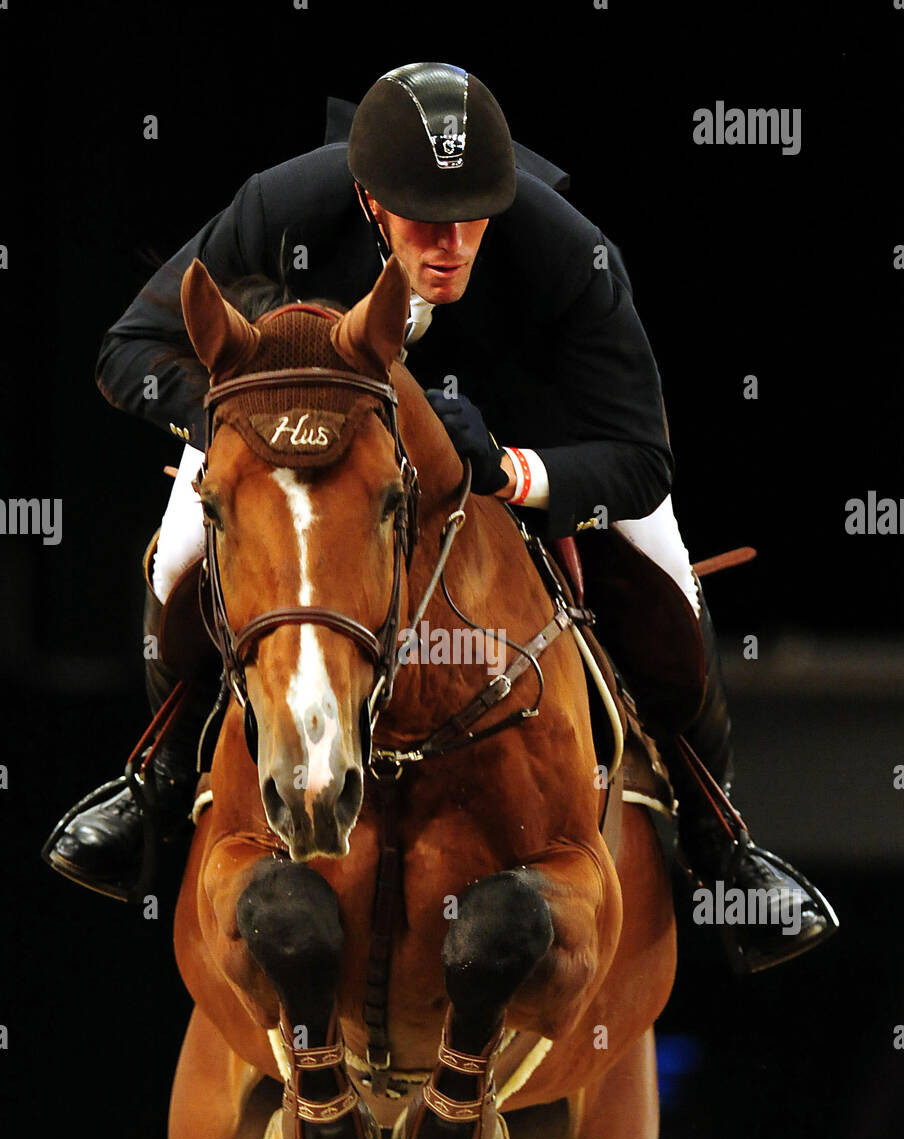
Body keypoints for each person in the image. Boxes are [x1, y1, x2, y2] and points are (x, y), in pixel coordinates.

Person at [42, 61, 837, 971]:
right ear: (369, 199)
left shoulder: (566, 252)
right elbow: (128, 351)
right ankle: (154, 784)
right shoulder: (285, 204)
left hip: (519, 433)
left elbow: (643, 458)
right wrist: (259, 418)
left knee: (663, 571)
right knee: (184, 549)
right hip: (304, 430)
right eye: (424, 217)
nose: (453, 244)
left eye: (472, 217)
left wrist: (510, 468)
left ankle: (717, 835)